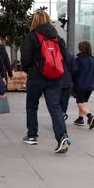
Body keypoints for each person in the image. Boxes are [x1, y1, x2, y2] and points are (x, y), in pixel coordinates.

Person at [20, 10, 71, 153]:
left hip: (36, 77)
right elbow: (65, 57)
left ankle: (32, 136)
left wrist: (28, 69)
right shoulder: (57, 38)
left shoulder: (31, 36)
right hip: (54, 77)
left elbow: (25, 58)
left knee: (32, 106)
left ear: (34, 21)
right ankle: (62, 137)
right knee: (55, 107)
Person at [73, 41, 94, 129]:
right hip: (90, 85)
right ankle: (80, 119)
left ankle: (90, 117)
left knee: (80, 103)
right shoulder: (93, 60)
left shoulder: (78, 60)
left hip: (80, 85)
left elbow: (74, 72)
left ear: (80, 49)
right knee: (82, 102)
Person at [59, 38, 78, 121]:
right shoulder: (70, 55)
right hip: (67, 82)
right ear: (65, 45)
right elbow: (74, 70)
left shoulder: (55, 54)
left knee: (55, 102)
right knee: (64, 101)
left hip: (56, 81)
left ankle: (58, 117)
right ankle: (62, 114)